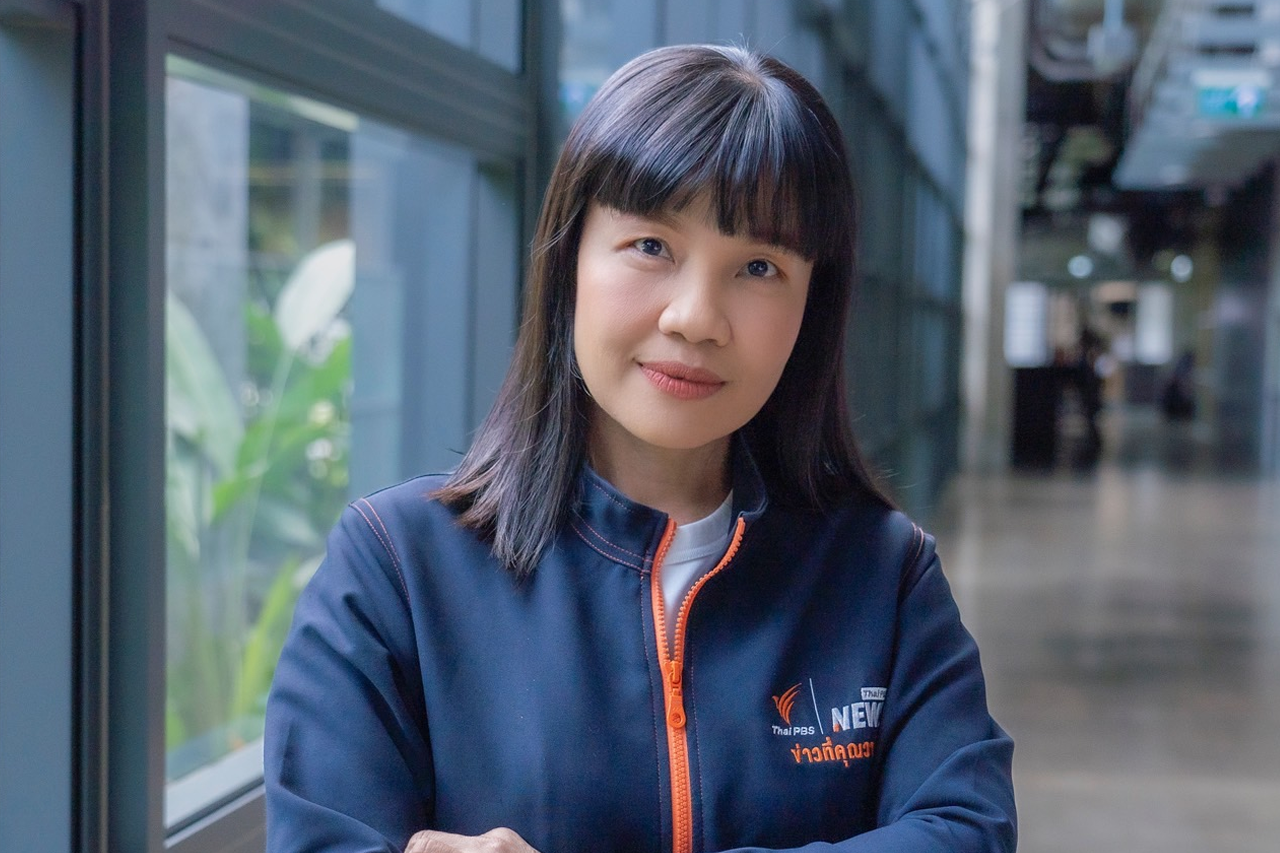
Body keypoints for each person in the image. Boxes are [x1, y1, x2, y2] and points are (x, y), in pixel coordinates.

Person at [264, 44, 1016, 853]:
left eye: (758, 266)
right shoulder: (396, 570)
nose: (696, 317)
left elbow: (966, 831)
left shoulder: (883, 573)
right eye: (651, 246)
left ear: (811, 308)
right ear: (569, 260)